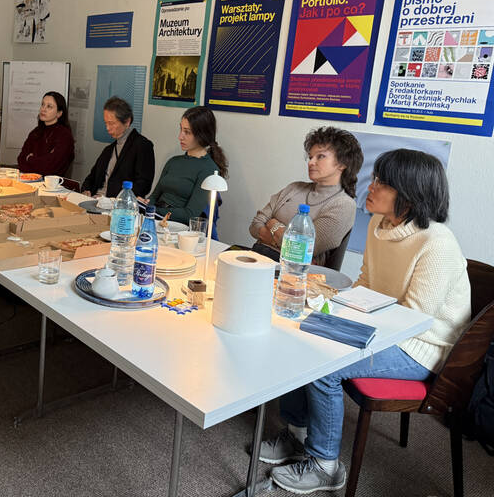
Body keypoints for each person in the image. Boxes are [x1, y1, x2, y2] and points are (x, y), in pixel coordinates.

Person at [262, 149, 471, 495]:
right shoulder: (378, 224)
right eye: (373, 179)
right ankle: (297, 434)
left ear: (410, 195)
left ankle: (325, 465)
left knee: (325, 366)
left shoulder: (437, 244)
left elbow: (414, 320)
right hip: (386, 329)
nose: (369, 187)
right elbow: (366, 284)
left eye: (381, 183)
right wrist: (329, 311)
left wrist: (345, 330)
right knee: (303, 334)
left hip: (423, 347)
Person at [249, 127, 363, 266]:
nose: (311, 162)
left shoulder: (343, 204)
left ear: (342, 163)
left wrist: (272, 224)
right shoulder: (294, 188)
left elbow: (303, 249)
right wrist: (280, 239)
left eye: (320, 156)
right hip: (257, 258)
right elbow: (255, 225)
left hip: (292, 271)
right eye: (310, 157)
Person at [142, 106, 227, 225]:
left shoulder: (209, 169)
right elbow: (154, 196)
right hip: (156, 219)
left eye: (187, 132)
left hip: (177, 227)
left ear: (202, 134)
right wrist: (143, 204)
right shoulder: (173, 161)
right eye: (181, 129)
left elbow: (190, 215)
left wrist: (153, 210)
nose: (180, 136)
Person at [81, 97, 155, 198]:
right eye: (106, 123)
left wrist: (117, 200)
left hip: (117, 204)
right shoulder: (108, 150)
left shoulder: (142, 145)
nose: (107, 128)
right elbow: (91, 178)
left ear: (127, 122)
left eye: (111, 123)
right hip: (95, 199)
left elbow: (143, 185)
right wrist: (86, 190)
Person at [17, 91, 74, 176]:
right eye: (42, 104)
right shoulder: (36, 132)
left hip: (52, 183)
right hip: (29, 179)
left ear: (59, 113)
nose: (43, 109)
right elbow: (21, 160)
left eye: (49, 106)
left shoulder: (65, 136)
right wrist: (43, 160)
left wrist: (30, 158)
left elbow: (50, 168)